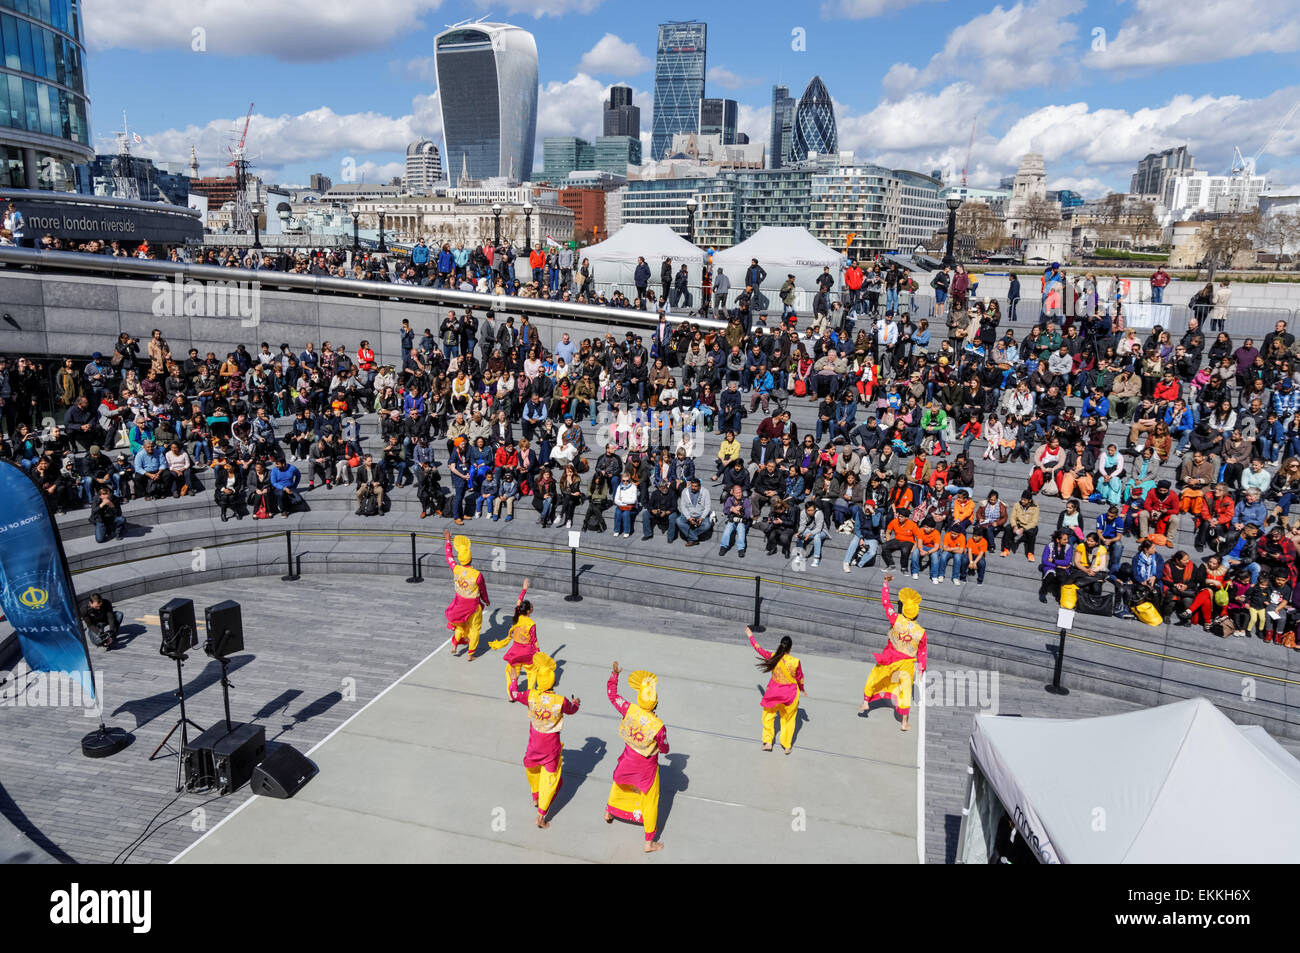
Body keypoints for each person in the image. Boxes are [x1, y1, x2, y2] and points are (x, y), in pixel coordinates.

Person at [507, 651, 580, 829]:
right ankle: (541, 816)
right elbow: (572, 709)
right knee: (551, 779)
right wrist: (576, 702)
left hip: (534, 743)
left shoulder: (531, 695)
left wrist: (515, 679)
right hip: (551, 746)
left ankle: (535, 795)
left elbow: (514, 694)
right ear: (553, 682)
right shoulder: (560, 701)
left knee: (531, 767)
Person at [604, 661, 668, 853]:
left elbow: (612, 696)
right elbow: (664, 748)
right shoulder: (658, 725)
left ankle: (609, 812)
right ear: (655, 702)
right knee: (650, 800)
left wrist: (614, 675)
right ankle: (649, 843)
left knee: (619, 783)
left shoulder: (629, 709)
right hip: (646, 767)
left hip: (627, 759)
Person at [860, 576, 927, 731]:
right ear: (916, 613)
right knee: (905, 690)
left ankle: (866, 701)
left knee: (876, 677)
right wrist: (922, 668)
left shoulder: (895, 619)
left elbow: (886, 603)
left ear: (903, 609)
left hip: (890, 658)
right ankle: (904, 722)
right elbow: (922, 652)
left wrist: (885, 584)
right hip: (907, 663)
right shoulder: (921, 632)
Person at [747, 627, 805, 754]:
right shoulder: (795, 662)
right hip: (790, 694)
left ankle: (768, 742)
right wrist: (802, 689)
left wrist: (751, 636)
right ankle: (787, 746)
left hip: (774, 693)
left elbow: (758, 649)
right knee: (788, 720)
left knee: (768, 716)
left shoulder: (773, 656)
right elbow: (800, 677)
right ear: (790, 647)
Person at [442, 530, 489, 659]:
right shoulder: (477, 575)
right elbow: (483, 590)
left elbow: (449, 557)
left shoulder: (456, 568)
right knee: (475, 629)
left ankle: (455, 645)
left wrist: (448, 541)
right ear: (471, 558)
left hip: (459, 604)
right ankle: (470, 654)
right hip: (473, 606)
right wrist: (486, 600)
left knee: (460, 624)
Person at [487, 580, 538, 697]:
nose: (532, 605)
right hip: (528, 652)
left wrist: (524, 589)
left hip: (515, 651)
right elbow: (535, 642)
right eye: (531, 605)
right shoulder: (531, 623)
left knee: (512, 670)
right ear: (529, 610)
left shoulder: (516, 616)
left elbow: (518, 602)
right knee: (532, 671)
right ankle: (529, 694)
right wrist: (538, 655)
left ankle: (512, 694)